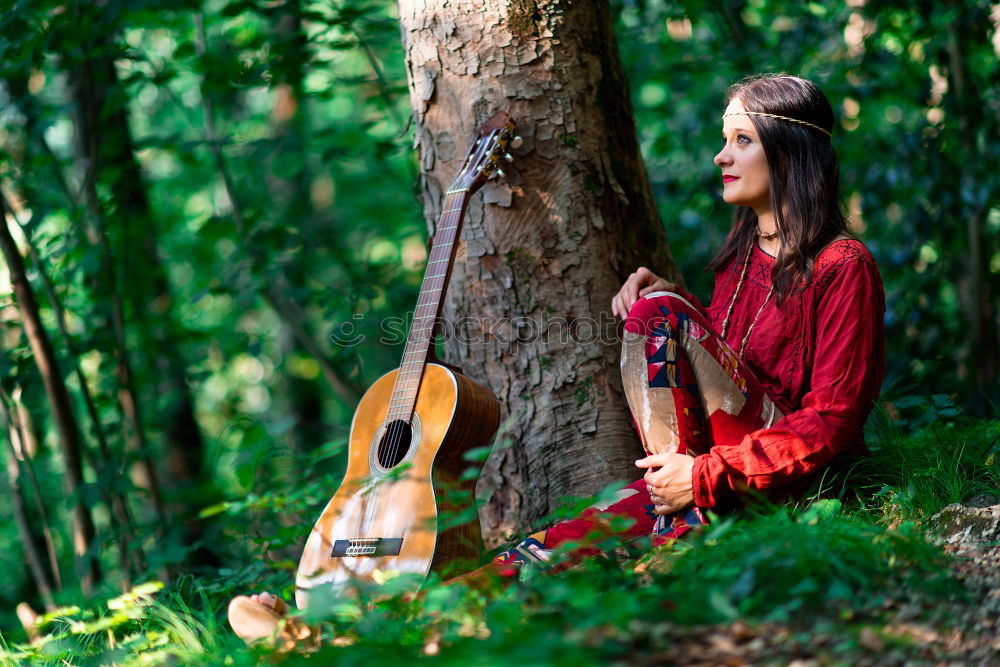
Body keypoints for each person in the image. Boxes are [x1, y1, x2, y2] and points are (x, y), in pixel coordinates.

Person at [228, 72, 885, 643]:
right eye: (724, 138)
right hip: (710, 476)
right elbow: (734, 378)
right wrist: (676, 306)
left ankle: (680, 532)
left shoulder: (841, 265)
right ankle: (343, 635)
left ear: (791, 151)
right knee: (541, 551)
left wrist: (705, 471)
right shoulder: (740, 260)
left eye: (741, 140)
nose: (720, 155)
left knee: (658, 316)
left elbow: (831, 419)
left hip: (775, 479)